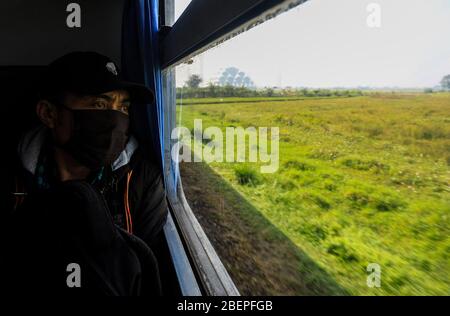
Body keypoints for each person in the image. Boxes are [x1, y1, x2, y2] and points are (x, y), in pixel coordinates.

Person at [1, 51, 168, 295]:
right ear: (49, 114)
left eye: (123, 108)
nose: (115, 120)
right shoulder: (9, 174)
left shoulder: (142, 181)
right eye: (99, 104)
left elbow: (147, 276)